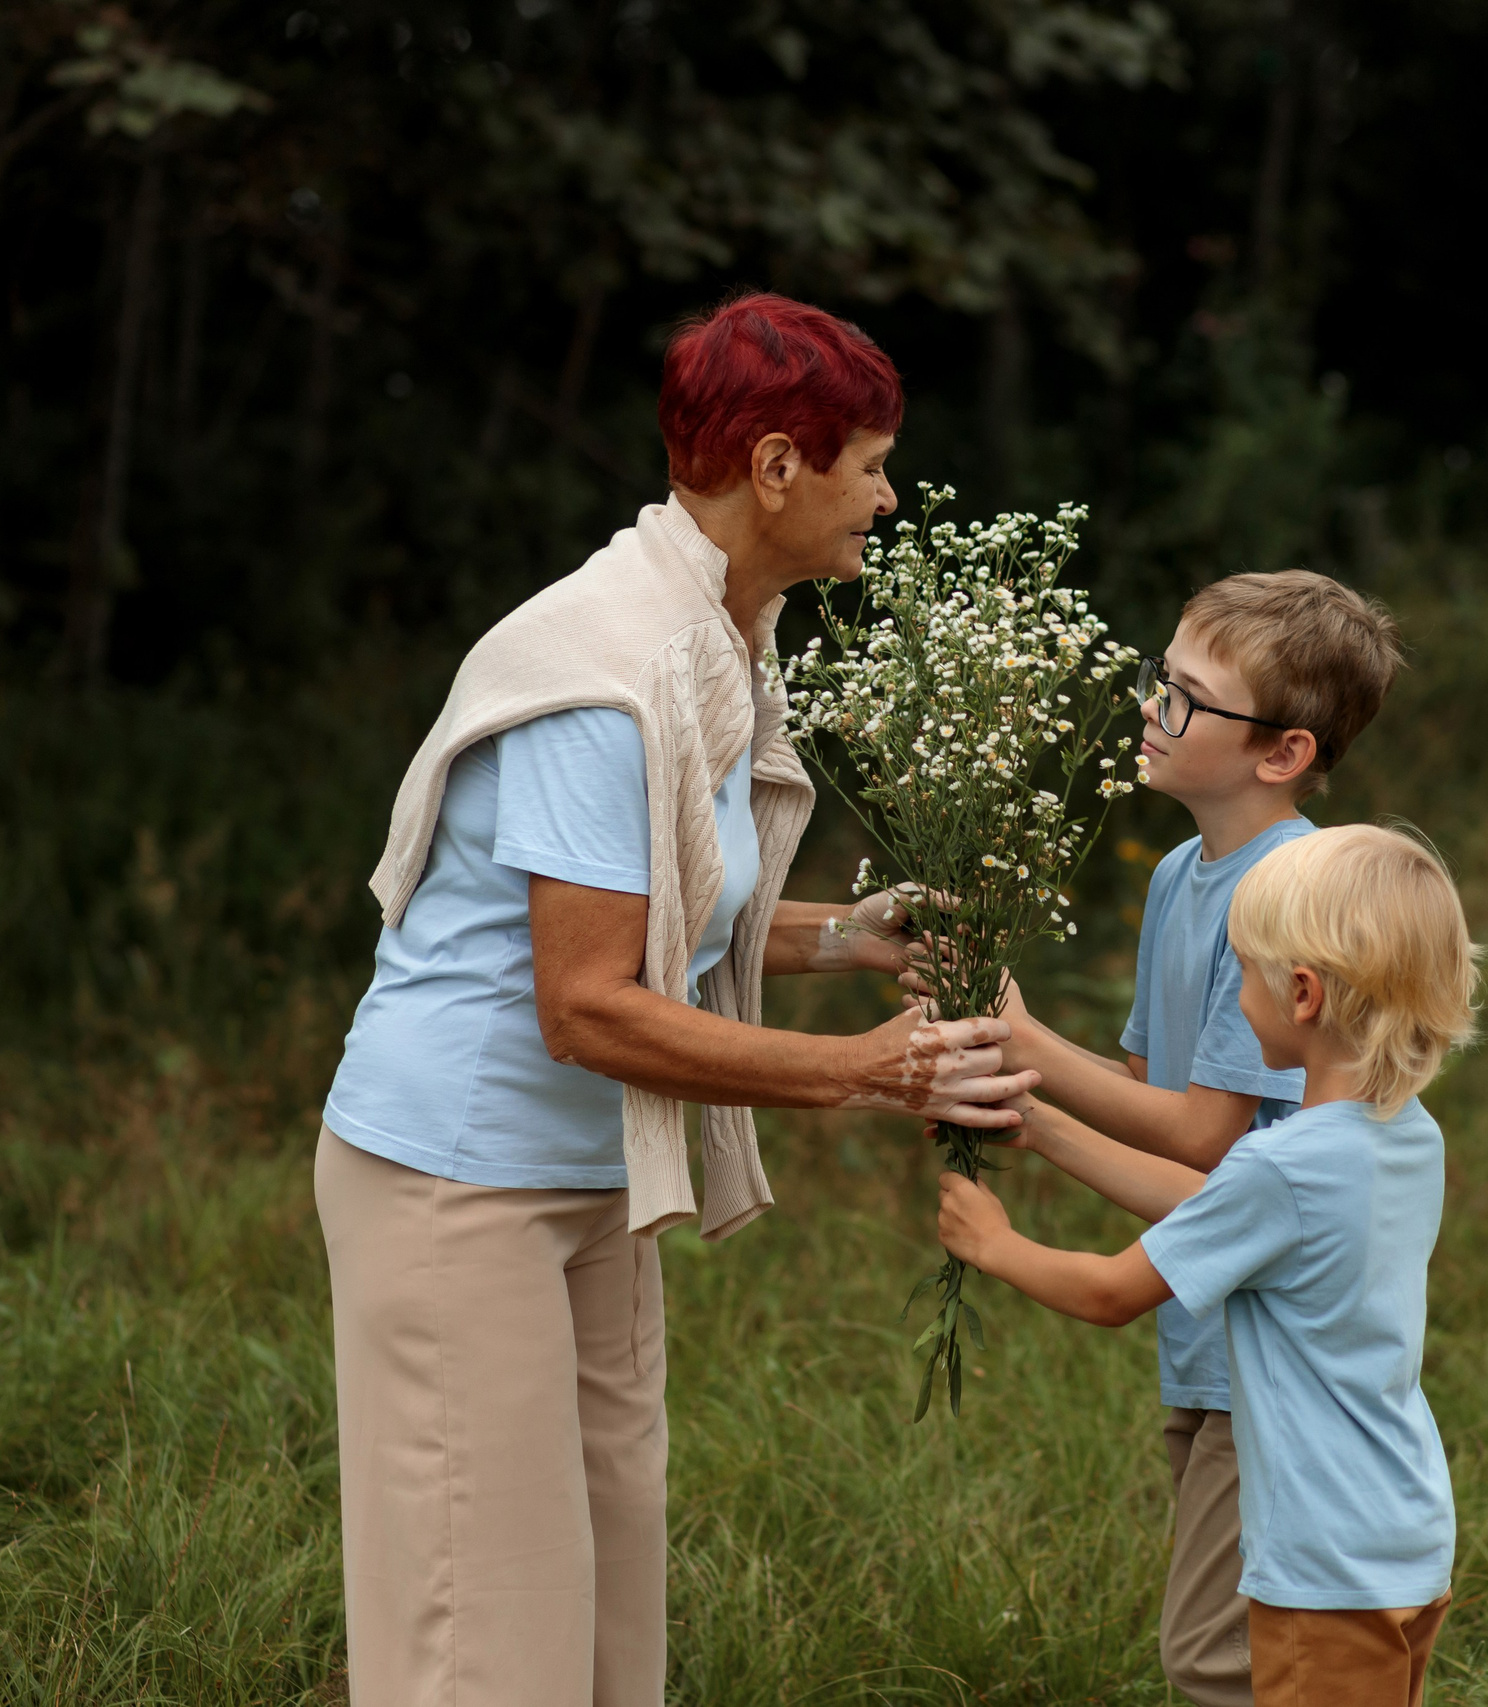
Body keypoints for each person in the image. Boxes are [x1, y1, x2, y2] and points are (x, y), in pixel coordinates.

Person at [314, 293, 1039, 1707]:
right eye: (869, 466)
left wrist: (855, 936)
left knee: (608, 1638)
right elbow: (586, 1006)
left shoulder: (714, 637)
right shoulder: (607, 674)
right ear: (775, 467)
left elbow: (672, 910)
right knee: (484, 1644)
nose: (886, 499)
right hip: (457, 1183)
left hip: (594, 1179)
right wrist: (863, 1070)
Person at [939, 823, 1482, 1707]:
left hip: (1323, 1563)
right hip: (1404, 1531)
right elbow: (1223, 1208)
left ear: (1301, 993)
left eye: (1242, 976)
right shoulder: (1407, 1135)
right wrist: (1038, 1126)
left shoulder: (1282, 1167)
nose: (1235, 999)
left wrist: (996, 1244)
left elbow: (1113, 1291)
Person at [991, 570, 1403, 1704]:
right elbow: (1146, 1087)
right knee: (1250, 1643)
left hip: (1269, 1351)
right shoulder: (1181, 874)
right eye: (1156, 679)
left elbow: (1202, 1138)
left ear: (1283, 753)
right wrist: (1025, 1092)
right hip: (1208, 1326)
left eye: (1183, 696)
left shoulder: (1286, 897)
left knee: (1223, 1660)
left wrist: (1022, 1041)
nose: (1150, 708)